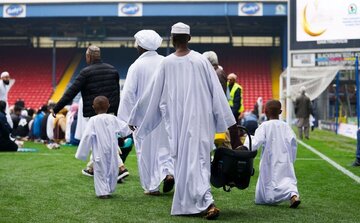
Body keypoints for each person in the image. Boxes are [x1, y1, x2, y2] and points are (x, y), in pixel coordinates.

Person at [128, 22, 241, 219]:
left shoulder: (167, 63)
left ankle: (207, 202)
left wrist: (136, 117)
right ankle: (191, 203)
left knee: (186, 162)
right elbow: (218, 96)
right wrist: (232, 129)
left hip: (178, 124)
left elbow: (150, 96)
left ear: (172, 40)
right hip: (200, 123)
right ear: (189, 38)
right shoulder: (201, 61)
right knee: (198, 161)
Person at [52, 45, 129, 179]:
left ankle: (120, 168)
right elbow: (117, 94)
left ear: (88, 57)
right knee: (104, 140)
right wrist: (115, 113)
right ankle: (92, 168)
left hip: (94, 113)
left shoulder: (85, 72)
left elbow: (71, 92)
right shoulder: (113, 70)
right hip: (110, 112)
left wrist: (57, 108)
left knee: (99, 141)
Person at [117, 29, 174, 195]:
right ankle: (168, 172)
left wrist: (126, 121)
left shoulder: (136, 66)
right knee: (165, 148)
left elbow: (128, 95)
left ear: (141, 46)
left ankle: (151, 187)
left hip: (143, 117)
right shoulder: (165, 61)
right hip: (164, 115)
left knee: (146, 152)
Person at [244, 100, 301, 208]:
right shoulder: (286, 126)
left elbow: (255, 142)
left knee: (269, 179)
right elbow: (293, 142)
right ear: (280, 112)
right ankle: (293, 195)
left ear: (265, 112)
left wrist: (246, 144)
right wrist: (291, 159)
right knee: (287, 178)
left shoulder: (264, 126)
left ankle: (269, 198)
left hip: (269, 159)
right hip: (285, 157)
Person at [75, 96, 129, 199]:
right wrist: (133, 127)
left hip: (99, 150)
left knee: (100, 171)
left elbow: (87, 136)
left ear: (93, 107)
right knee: (112, 170)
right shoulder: (113, 118)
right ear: (108, 106)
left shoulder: (93, 120)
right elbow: (124, 129)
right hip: (112, 150)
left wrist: (82, 153)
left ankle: (103, 192)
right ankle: (109, 189)